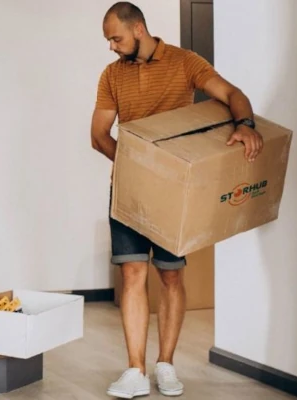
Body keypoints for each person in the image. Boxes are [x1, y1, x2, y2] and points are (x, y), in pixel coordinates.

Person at [90, 2, 263, 398]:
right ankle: (135, 370)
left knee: (170, 274)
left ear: (138, 29)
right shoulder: (112, 75)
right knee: (132, 273)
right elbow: (99, 134)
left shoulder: (185, 63)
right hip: (130, 191)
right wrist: (137, 167)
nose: (112, 47)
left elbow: (232, 93)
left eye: (115, 38)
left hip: (174, 193)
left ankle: (165, 364)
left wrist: (246, 126)